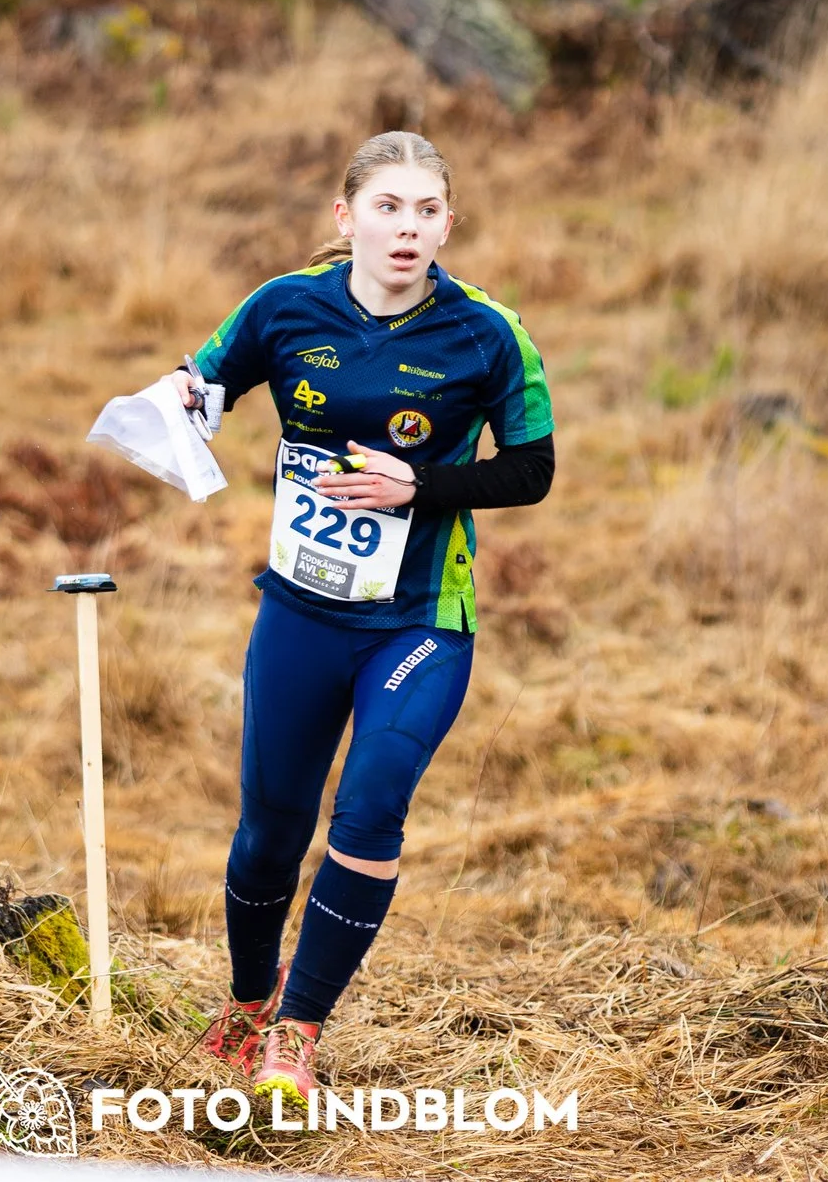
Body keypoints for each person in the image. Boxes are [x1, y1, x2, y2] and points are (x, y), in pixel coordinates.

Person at [159, 130, 555, 1108]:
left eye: (426, 210)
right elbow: (208, 378)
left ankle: (298, 1025)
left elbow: (533, 467)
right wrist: (182, 390)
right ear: (346, 217)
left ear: (448, 222)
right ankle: (250, 998)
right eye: (388, 207)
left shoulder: (487, 332)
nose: (406, 228)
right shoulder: (284, 303)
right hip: (299, 610)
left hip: (418, 619)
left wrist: (421, 484)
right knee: (267, 835)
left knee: (372, 802)